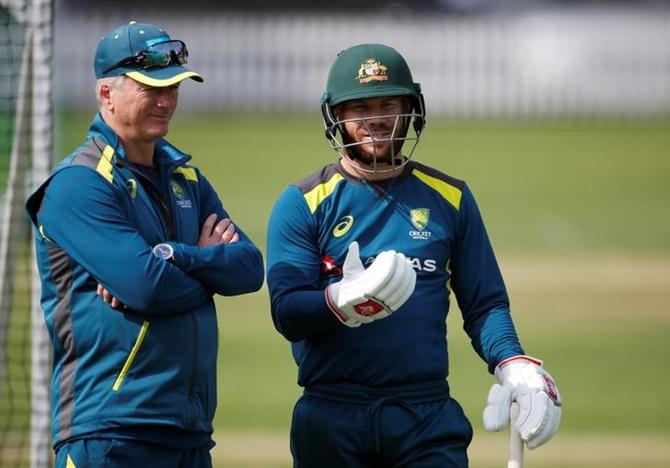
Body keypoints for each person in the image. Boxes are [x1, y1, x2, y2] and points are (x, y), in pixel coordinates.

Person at [266, 43, 562, 467]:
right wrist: (341, 302)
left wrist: (514, 363)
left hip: (425, 417)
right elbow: (287, 312)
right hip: (333, 414)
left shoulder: (450, 198)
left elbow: (484, 304)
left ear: (412, 108)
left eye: (389, 103)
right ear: (336, 116)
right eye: (360, 107)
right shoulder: (303, 202)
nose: (377, 119)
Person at [25, 21, 264, 468]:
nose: (166, 100)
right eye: (150, 87)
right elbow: (148, 288)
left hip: (189, 431)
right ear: (106, 94)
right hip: (110, 431)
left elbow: (249, 269)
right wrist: (208, 265)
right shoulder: (76, 185)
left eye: (173, 87)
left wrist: (175, 255)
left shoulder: (187, 179)